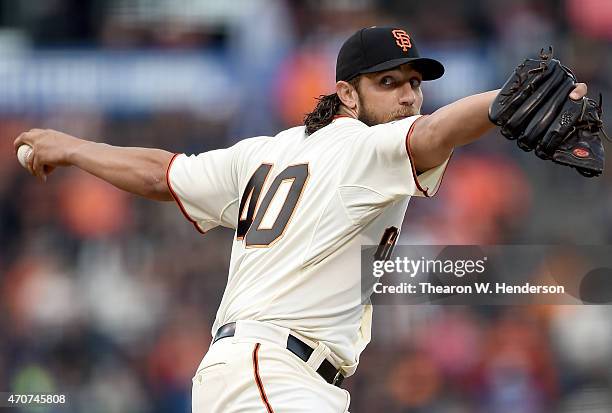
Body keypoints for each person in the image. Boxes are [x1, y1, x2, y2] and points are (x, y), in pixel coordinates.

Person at [14, 26, 587, 412]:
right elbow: (437, 132)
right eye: (389, 83)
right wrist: (498, 102)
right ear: (347, 94)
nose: (409, 97)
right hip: (275, 374)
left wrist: (72, 147)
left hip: (263, 376)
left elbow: (161, 174)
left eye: (415, 83)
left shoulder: (266, 150)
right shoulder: (365, 148)